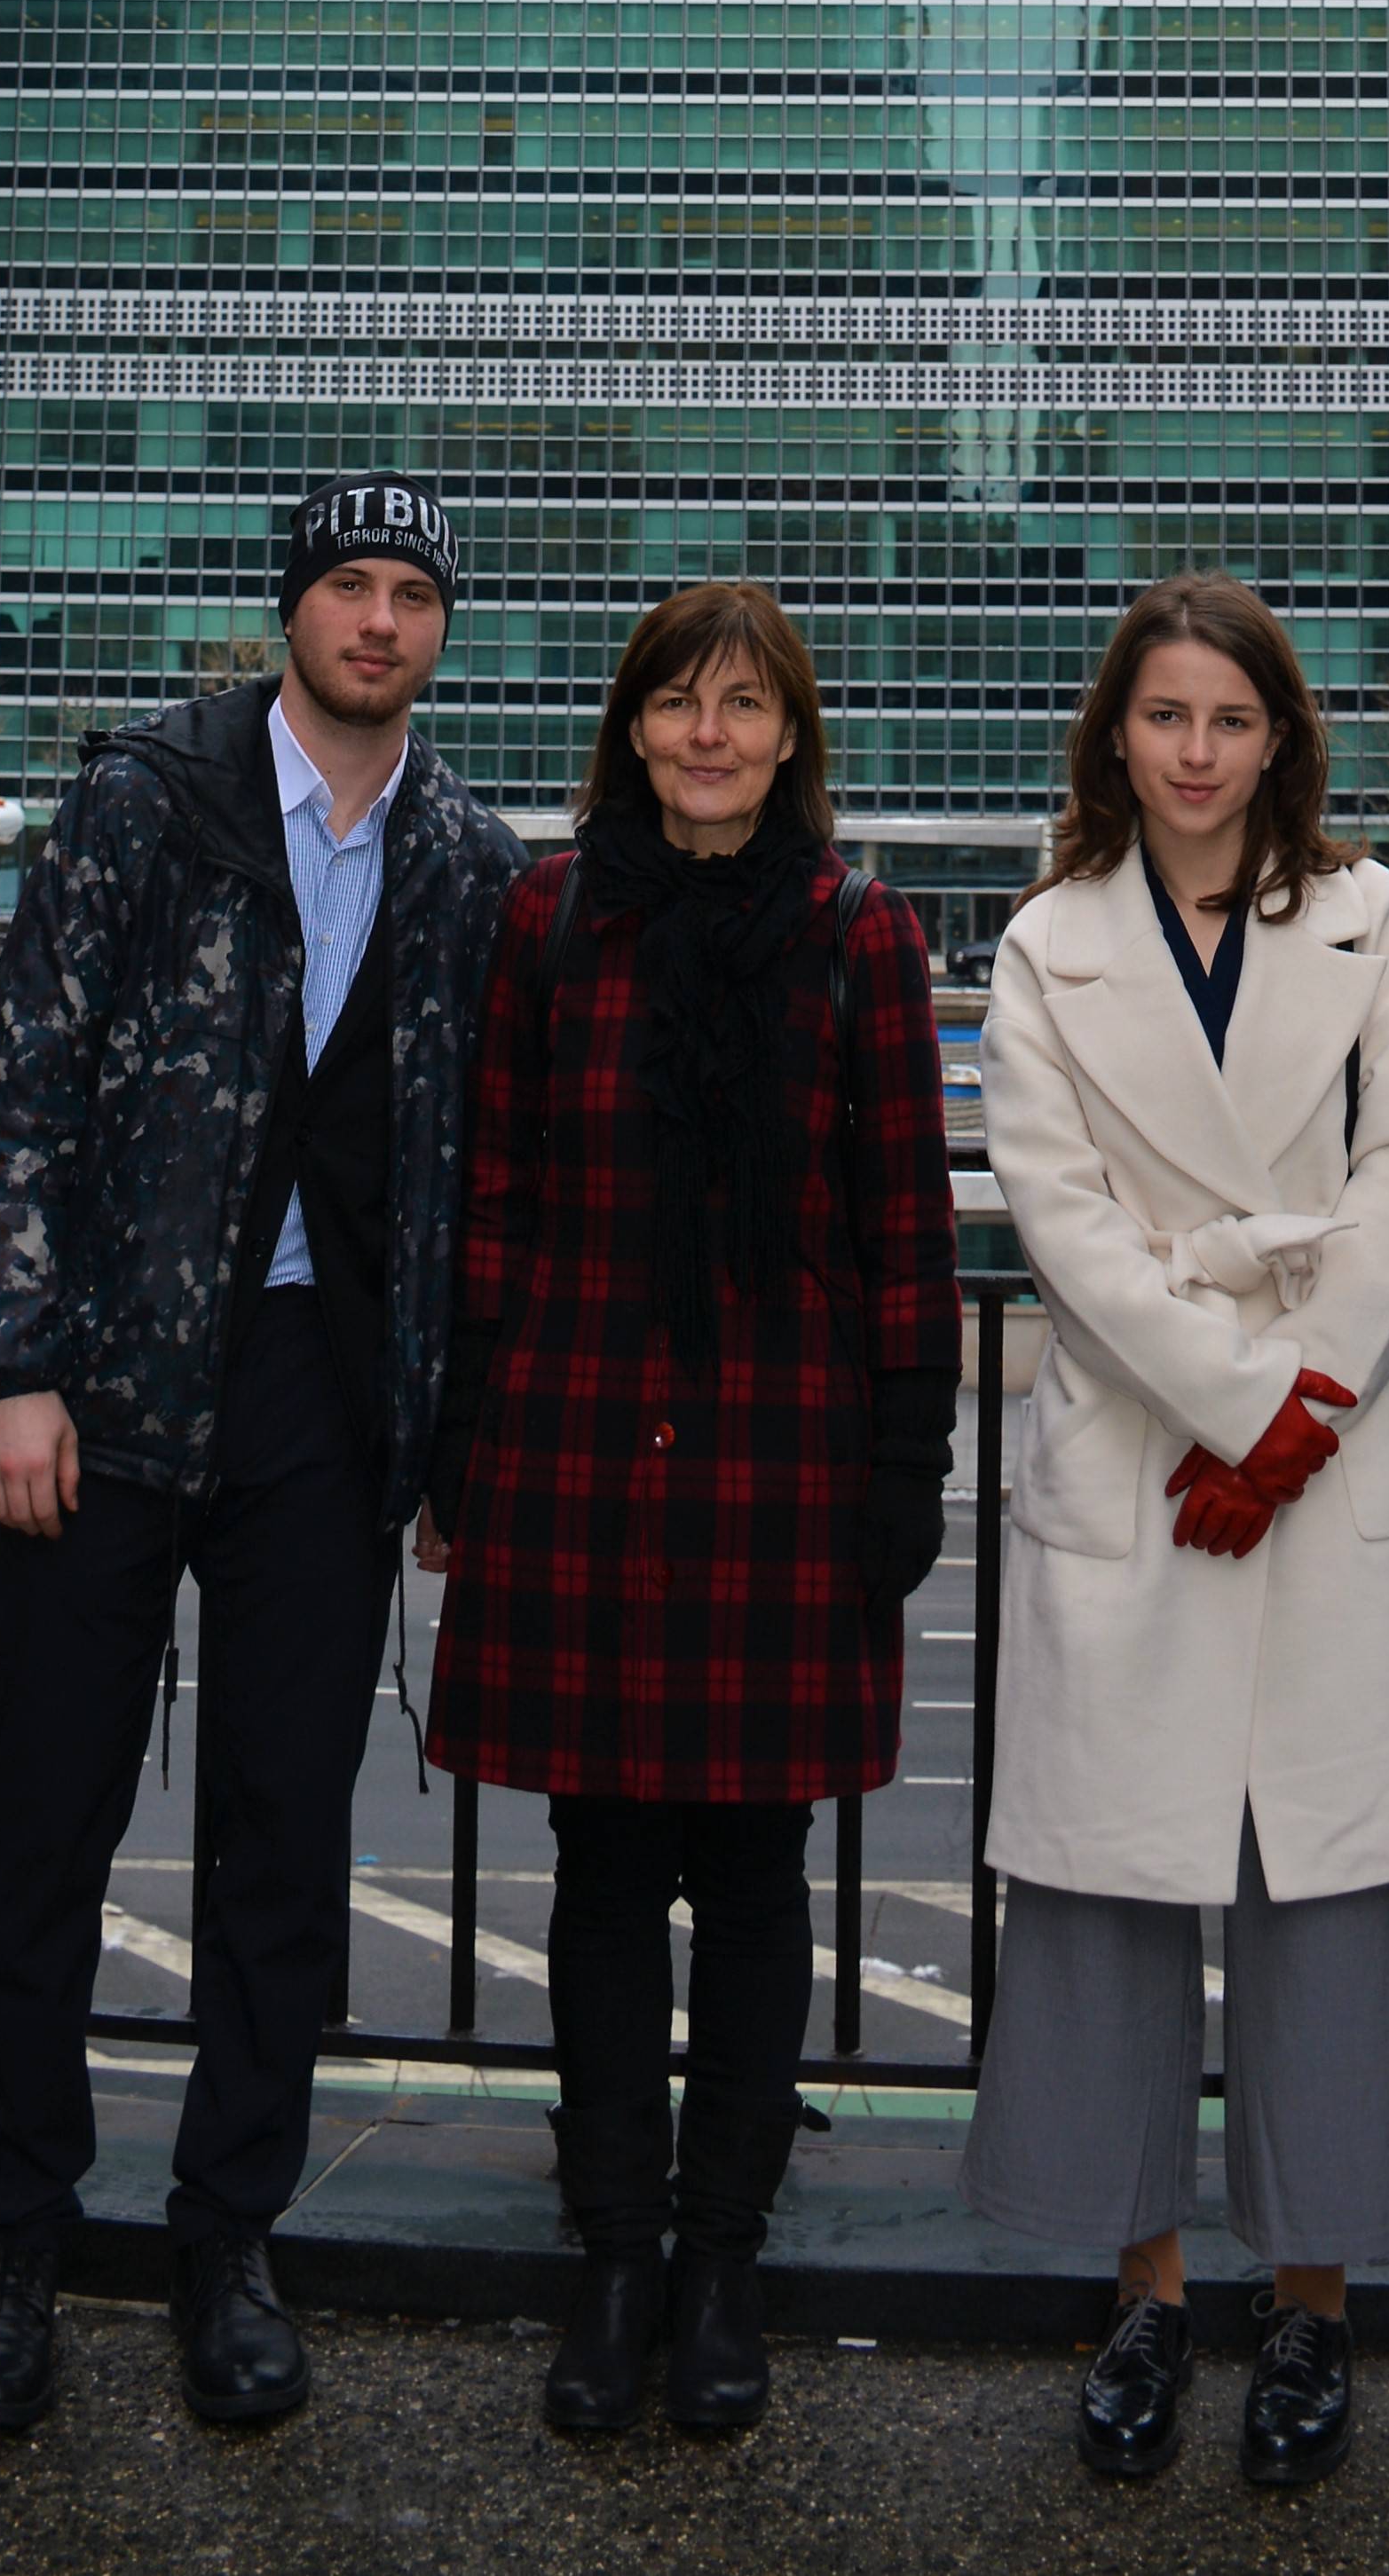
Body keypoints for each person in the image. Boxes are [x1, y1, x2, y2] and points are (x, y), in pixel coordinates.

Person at [0, 478, 519, 2437]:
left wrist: (443, 1439)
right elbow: (17, 1085)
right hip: (103, 1385)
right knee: (46, 1822)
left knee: (284, 1843)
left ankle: (228, 2236)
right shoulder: (151, 800)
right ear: (292, 611)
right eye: (348, 585)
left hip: (324, 1407)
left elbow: (475, 1171)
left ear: (440, 628)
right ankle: (14, 2239)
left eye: (411, 592)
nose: (378, 618)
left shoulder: (467, 857)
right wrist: (6, 1366)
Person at [423, 582, 959, 2442]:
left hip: (783, 1445)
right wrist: (460, 1438)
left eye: (742, 704)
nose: (708, 734)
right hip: (576, 1422)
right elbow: (495, 1190)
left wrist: (908, 1459)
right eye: (676, 702)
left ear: (790, 733)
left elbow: (906, 1219)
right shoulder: (549, 915)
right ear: (633, 729)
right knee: (596, 1874)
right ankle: (614, 2252)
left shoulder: (857, 930)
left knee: (749, 1878)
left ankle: (720, 2252)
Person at [962, 578, 1389, 2493]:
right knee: (1108, 1896)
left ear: (1278, 740)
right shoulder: (1046, 941)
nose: (1195, 751)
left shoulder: (1372, 914)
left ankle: (1313, 2308)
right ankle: (1146, 2296)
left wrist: (1302, 1411)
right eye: (1164, 715)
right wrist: (1248, 1410)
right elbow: (1060, 1215)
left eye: (1229, 720)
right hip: (1147, 1446)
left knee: (1322, 1892)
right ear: (1117, 731)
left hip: (1310, 1448)